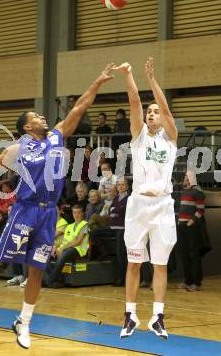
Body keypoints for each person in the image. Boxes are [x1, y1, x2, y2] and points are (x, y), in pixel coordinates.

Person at [0, 64, 115, 349]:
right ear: (28, 127)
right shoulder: (18, 148)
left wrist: (98, 82)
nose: (43, 117)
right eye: (36, 117)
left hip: (48, 212)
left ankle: (24, 321)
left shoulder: (57, 135)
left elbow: (79, 107)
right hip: (25, 209)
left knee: (36, 269)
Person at [116, 58, 178, 339]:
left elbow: (164, 107)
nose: (152, 114)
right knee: (134, 263)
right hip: (139, 206)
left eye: (155, 112)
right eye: (149, 112)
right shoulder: (139, 136)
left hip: (163, 206)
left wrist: (152, 80)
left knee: (161, 265)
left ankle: (157, 317)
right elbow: (134, 103)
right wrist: (130, 75)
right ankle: (130, 316)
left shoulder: (171, 139)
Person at [177, 170, 208, 291]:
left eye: (187, 176)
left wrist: (191, 221)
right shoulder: (185, 191)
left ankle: (196, 282)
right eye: (185, 176)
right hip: (182, 226)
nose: (185, 178)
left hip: (192, 227)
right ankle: (187, 280)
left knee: (194, 254)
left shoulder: (198, 191)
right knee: (184, 254)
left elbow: (200, 210)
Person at [45, 205, 89, 287]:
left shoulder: (84, 224)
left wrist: (63, 248)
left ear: (82, 213)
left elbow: (78, 242)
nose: (76, 215)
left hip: (79, 249)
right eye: (74, 212)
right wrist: (57, 248)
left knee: (64, 255)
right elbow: (64, 241)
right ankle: (57, 280)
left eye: (79, 212)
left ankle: (49, 280)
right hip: (67, 248)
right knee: (44, 256)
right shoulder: (69, 226)